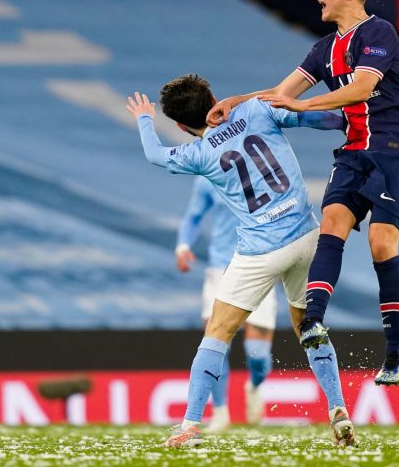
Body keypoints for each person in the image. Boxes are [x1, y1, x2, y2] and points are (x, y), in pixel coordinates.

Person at [207, 0, 399, 387]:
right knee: (331, 222)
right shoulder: (324, 48)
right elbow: (281, 93)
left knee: (381, 243)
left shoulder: (379, 32)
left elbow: (363, 86)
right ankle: (313, 322)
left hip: (394, 148)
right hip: (353, 150)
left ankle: (396, 353)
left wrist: (303, 105)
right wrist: (237, 100)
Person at [125, 76, 356, 449]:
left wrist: (144, 118)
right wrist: (352, 119)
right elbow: (320, 119)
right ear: (216, 99)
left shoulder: (198, 154)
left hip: (261, 252)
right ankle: (338, 408)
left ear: (183, 126)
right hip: (307, 238)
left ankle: (190, 425)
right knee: (308, 327)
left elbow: (155, 154)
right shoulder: (257, 109)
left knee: (218, 331)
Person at [176, 176, 278, 430]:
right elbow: (193, 215)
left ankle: (254, 385)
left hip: (259, 266)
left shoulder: (264, 170)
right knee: (216, 342)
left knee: (258, 355)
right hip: (220, 268)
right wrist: (182, 245)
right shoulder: (207, 176)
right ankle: (220, 412)